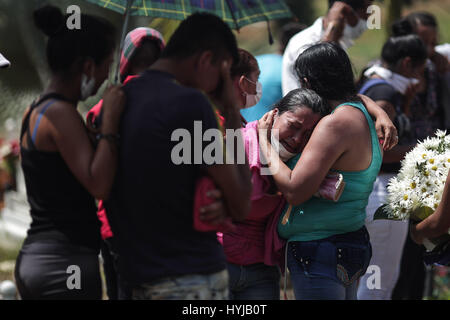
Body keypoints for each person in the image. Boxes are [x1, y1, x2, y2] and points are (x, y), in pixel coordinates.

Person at [104, 12, 253, 300]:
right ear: (206, 60)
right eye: (222, 72)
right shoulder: (191, 105)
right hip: (190, 278)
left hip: (135, 276)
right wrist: (232, 113)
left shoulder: (118, 101)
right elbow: (241, 202)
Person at [259, 42, 386, 300]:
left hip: (320, 249)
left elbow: (295, 190)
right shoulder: (360, 113)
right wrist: (377, 108)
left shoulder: (334, 124)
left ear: (306, 82)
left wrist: (264, 142)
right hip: (347, 240)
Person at [14, 5, 124, 299]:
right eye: (106, 65)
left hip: (42, 260)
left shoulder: (38, 109)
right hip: (64, 265)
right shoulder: (61, 115)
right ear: (88, 66)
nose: (105, 77)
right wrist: (111, 119)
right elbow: (98, 184)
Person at [225, 88, 328, 300]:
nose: (298, 139)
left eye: (308, 134)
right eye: (294, 126)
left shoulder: (301, 164)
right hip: (218, 264)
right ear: (274, 114)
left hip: (262, 272)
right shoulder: (236, 145)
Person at [86, 27, 165, 300]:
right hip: (160, 227)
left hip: (112, 225)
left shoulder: (102, 108)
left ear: (124, 60)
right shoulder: (176, 103)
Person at [356, 34, 428, 300]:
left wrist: (406, 106)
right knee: (379, 283)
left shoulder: (375, 85)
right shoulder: (384, 94)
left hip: (374, 192)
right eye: (421, 69)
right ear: (408, 63)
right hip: (383, 192)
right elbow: (380, 151)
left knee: (374, 279)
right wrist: (427, 150)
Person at [389, 13, 448, 300]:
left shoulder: (439, 72)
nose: (430, 49)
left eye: (433, 42)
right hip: (406, 173)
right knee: (402, 258)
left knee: (425, 255)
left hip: (437, 170)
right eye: (424, 42)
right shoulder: (393, 78)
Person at [282, 0, 373, 96]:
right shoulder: (305, 41)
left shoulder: (337, 42)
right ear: (346, 13)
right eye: (365, 16)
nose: (367, 21)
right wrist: (332, 30)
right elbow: (319, 82)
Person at [241, 23, 305, 122]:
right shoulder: (290, 72)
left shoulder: (255, 61)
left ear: (280, 43)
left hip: (237, 127)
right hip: (265, 131)